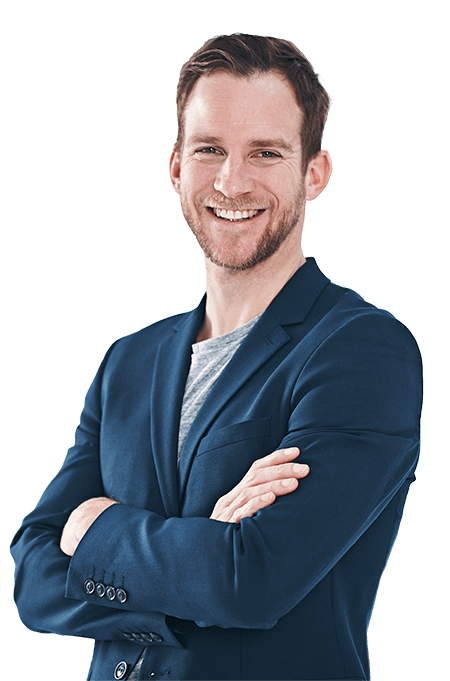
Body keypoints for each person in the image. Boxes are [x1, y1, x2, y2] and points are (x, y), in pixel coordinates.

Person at [11, 33, 422, 681]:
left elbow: (249, 581)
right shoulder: (128, 361)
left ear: (314, 173)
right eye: (210, 149)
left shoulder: (362, 351)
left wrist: (96, 527)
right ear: (177, 166)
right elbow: (32, 577)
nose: (232, 181)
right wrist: (201, 554)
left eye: (266, 152)